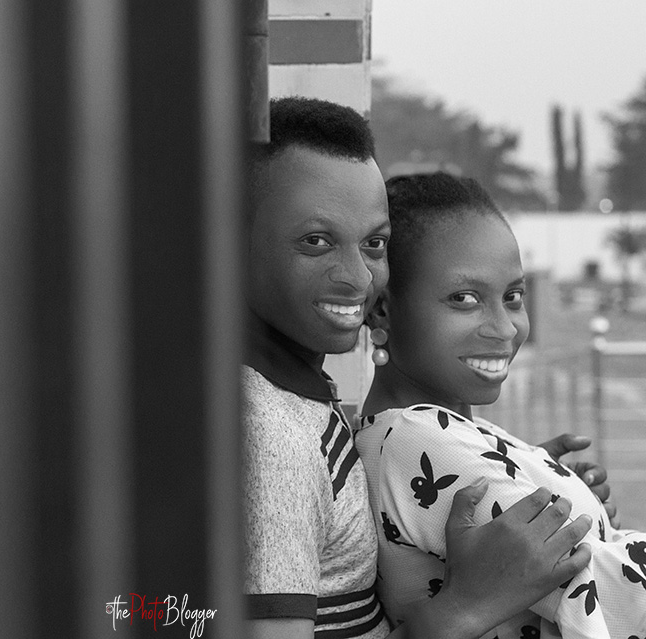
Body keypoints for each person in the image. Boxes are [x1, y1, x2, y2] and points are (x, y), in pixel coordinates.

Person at [243, 97, 604, 639]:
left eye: (374, 244)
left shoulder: (294, 401)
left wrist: (514, 475)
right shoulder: (268, 436)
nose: (359, 278)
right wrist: (468, 606)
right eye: (316, 242)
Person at [354, 172, 645, 639]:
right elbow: (608, 589)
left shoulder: (431, 430)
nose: (506, 328)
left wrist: (549, 479)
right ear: (382, 309)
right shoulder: (416, 439)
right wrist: (591, 529)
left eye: (512, 297)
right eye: (464, 299)